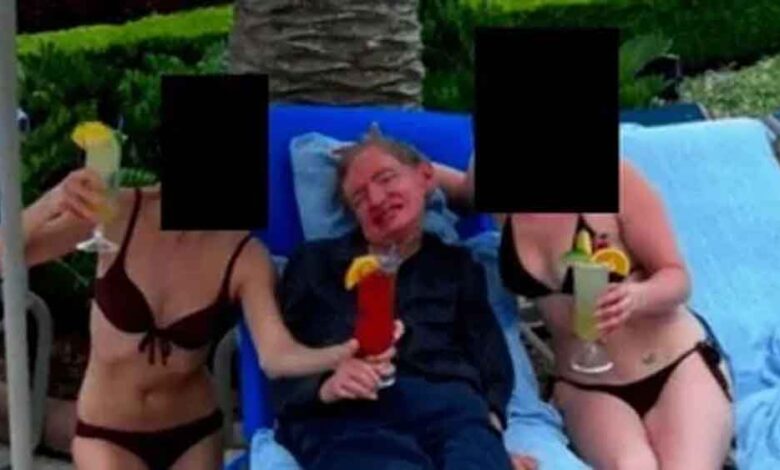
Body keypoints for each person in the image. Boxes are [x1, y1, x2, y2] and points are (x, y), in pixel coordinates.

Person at [0, 168, 373, 470]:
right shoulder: (119, 212)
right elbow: (8, 256)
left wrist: (341, 354)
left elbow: (275, 355)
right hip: (107, 431)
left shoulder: (244, 254)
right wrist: (51, 202)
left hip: (193, 434)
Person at [433, 157, 734, 469]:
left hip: (673, 366)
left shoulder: (617, 178)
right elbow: (459, 191)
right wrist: (405, 162)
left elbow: (677, 278)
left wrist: (637, 296)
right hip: (588, 387)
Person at [269, 127, 543, 470]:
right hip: (349, 414)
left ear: (425, 177)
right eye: (359, 198)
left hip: (451, 409)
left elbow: (489, 353)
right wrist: (323, 386)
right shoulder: (315, 264)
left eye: (386, 179)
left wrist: (489, 430)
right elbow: (283, 356)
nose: (375, 200)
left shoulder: (457, 266)